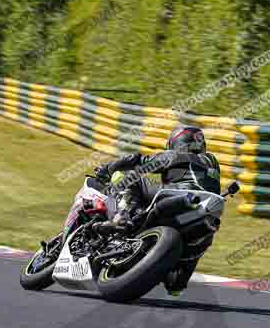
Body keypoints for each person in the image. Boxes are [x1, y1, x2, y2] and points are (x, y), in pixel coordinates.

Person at [93, 125, 221, 296]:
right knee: (176, 285)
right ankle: (179, 279)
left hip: (179, 195)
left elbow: (137, 160)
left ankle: (121, 216)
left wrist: (109, 169)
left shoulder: (177, 154)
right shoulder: (212, 163)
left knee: (132, 178)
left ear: (176, 142)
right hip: (205, 214)